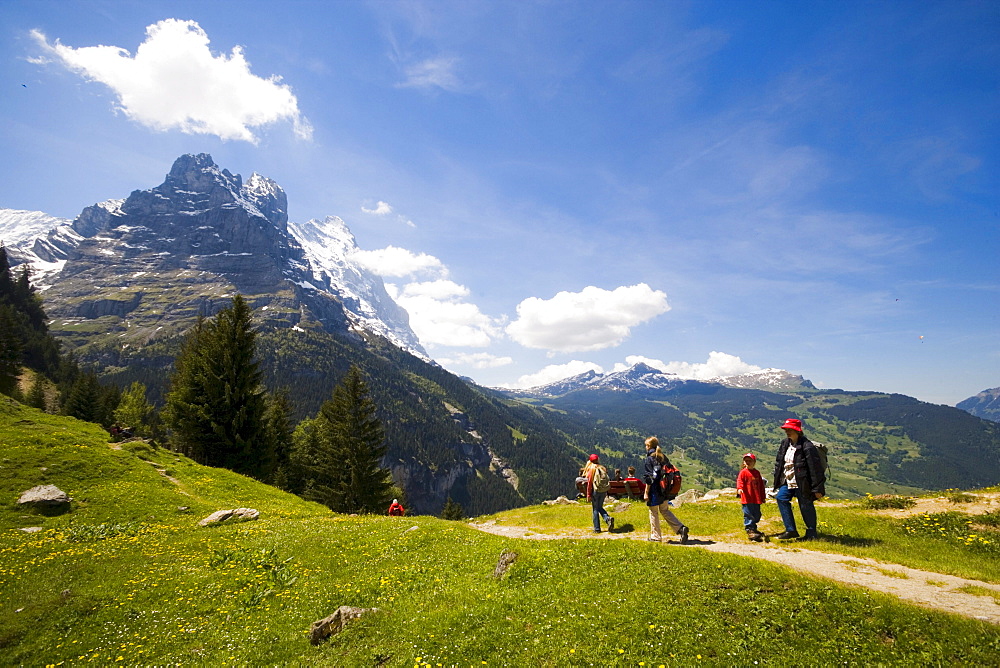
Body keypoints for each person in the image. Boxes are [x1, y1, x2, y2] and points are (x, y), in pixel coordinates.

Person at [771, 418, 825, 540]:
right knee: (781, 498)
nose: (787, 432)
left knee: (805, 506)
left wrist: (817, 488)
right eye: (786, 429)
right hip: (788, 480)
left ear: (798, 431)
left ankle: (811, 533)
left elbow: (815, 469)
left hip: (803, 482)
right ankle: (791, 530)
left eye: (790, 429)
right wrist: (778, 479)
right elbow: (779, 462)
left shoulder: (807, 447)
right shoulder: (785, 443)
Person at [643, 437, 689, 544]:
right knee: (664, 510)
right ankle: (680, 528)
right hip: (665, 489)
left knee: (653, 512)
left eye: (646, 445)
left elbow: (649, 478)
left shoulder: (649, 459)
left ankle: (656, 536)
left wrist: (646, 493)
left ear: (649, 446)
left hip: (655, 490)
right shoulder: (663, 457)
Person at [736, 452, 766, 542]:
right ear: (744, 463)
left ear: (754, 462)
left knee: (757, 515)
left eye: (750, 461)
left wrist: (763, 496)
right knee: (748, 514)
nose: (748, 462)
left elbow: (761, 485)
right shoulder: (743, 473)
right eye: (746, 461)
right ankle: (750, 530)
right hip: (747, 498)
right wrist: (740, 489)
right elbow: (739, 481)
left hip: (756, 498)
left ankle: (754, 528)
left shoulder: (757, 473)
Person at [582, 454, 614, 532]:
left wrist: (588, 494)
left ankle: (597, 528)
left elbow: (589, 483)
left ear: (590, 461)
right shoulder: (602, 468)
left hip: (595, 491)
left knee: (595, 509)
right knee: (599, 507)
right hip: (603, 491)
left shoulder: (591, 469)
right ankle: (607, 519)